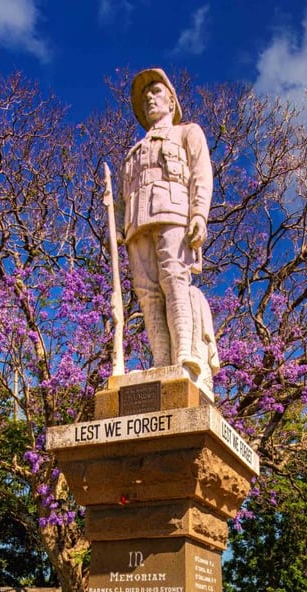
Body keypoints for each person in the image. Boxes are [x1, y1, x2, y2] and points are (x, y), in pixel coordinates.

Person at [120, 68, 218, 394]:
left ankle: (184, 355)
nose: (149, 97)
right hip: (137, 226)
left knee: (175, 280)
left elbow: (201, 175)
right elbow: (123, 197)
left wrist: (199, 214)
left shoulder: (188, 133)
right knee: (147, 294)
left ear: (172, 100)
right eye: (145, 95)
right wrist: (121, 231)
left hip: (174, 212)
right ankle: (162, 362)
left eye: (156, 91)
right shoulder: (132, 152)